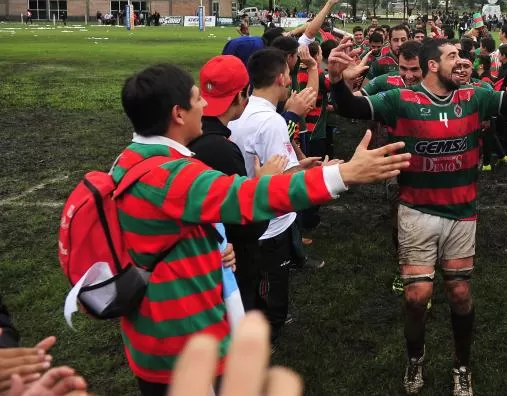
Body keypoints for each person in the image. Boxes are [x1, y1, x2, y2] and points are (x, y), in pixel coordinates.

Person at [113, 63, 409, 395]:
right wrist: (345, 175)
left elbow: (159, 231)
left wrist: (206, 247)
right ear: (179, 114)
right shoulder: (172, 176)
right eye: (198, 99)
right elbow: (248, 198)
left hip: (152, 337)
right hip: (185, 347)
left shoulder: (131, 160)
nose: (205, 106)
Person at [326, 37, 507, 396]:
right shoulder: (400, 99)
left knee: (459, 292)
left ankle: (462, 365)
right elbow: (351, 107)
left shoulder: (475, 96)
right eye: (452, 57)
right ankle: (415, 358)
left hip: (461, 212)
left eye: (461, 56)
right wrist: (335, 80)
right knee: (416, 296)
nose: (461, 62)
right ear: (432, 65)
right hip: (416, 209)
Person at [227, 49, 323, 343]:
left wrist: (298, 165)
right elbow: (280, 182)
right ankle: (266, 336)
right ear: (282, 78)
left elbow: (272, 164)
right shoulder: (272, 121)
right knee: (270, 285)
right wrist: (325, 173)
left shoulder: (240, 111)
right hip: (269, 223)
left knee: (252, 281)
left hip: (243, 214)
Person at [187, 56, 270, 316]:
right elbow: (247, 222)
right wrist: (263, 183)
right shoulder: (221, 149)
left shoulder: (189, 134)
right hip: (227, 266)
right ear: (239, 96)